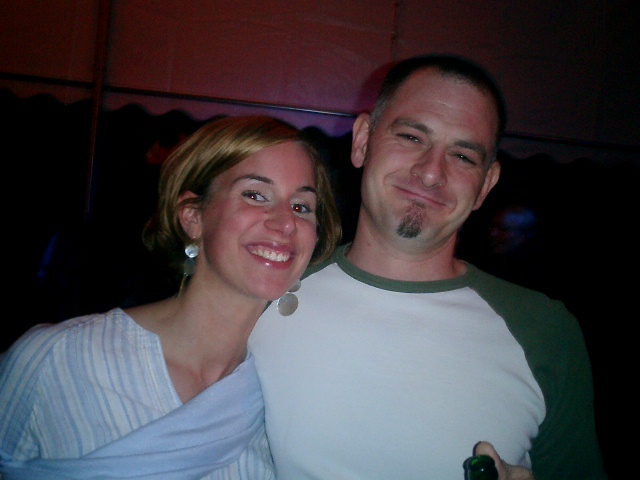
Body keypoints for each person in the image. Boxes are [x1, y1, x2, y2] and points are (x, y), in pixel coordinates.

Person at [248, 55, 608, 479]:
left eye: (463, 156)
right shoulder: (264, 293)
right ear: (362, 141)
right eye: (412, 137)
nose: (432, 173)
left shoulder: (544, 332)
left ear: (486, 184)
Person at [0, 115, 342, 479]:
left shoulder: (290, 394)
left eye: (301, 206)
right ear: (193, 217)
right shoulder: (58, 359)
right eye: (255, 195)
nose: (286, 223)